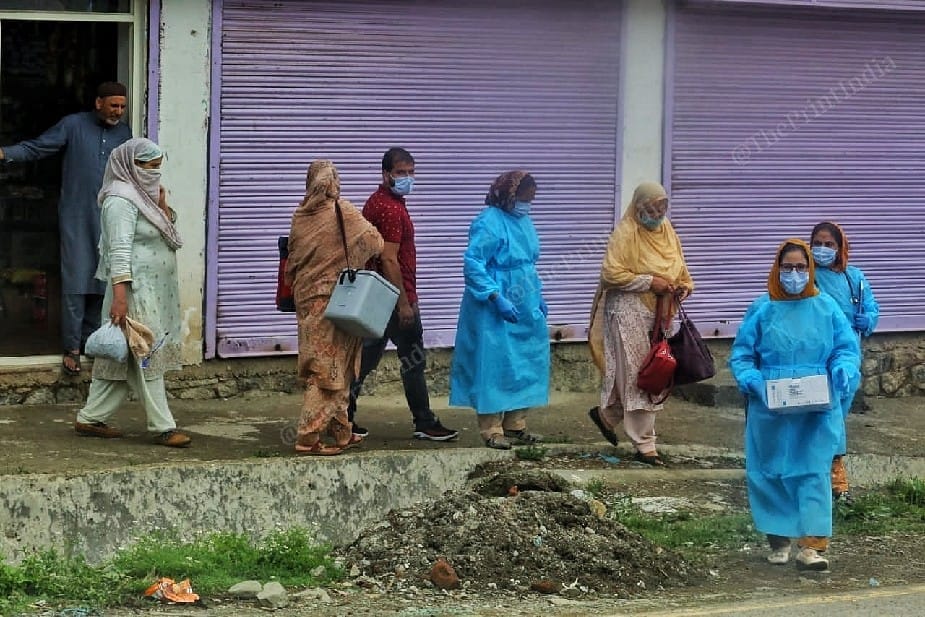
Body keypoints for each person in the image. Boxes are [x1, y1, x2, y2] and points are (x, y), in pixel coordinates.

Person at [729, 239, 860, 571]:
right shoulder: (762, 308)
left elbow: (845, 348)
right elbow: (743, 354)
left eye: (801, 267)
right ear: (777, 268)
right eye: (787, 267)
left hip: (817, 403)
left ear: (811, 270)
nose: (794, 274)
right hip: (771, 403)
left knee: (813, 471)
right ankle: (779, 540)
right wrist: (751, 379)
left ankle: (813, 546)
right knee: (770, 472)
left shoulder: (827, 308)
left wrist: (843, 369)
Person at [0, 82, 132, 375]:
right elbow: (37, 147)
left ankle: (91, 343)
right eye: (113, 106)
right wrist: (4, 153)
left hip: (111, 216)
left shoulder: (124, 134)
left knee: (104, 279)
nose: (118, 112)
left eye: (122, 107)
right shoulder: (73, 125)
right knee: (76, 278)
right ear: (98, 103)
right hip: (75, 214)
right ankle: (72, 346)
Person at [73, 138, 191, 448]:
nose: (154, 175)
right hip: (134, 290)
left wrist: (162, 206)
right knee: (146, 353)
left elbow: (170, 235)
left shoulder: (144, 199)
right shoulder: (120, 200)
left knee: (121, 360)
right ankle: (163, 426)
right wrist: (121, 298)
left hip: (152, 290)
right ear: (129, 167)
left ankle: (90, 418)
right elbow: (119, 250)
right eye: (148, 168)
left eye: (158, 168)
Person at [347, 147, 458, 441]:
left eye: (411, 172)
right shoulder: (391, 208)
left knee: (366, 360)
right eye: (400, 173)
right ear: (386, 174)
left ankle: (341, 416)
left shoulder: (380, 201)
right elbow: (389, 259)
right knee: (412, 359)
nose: (407, 178)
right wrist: (404, 303)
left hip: (377, 295)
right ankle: (424, 420)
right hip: (392, 297)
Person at [586, 182, 693, 466]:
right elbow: (611, 273)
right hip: (627, 310)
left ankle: (607, 416)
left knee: (656, 370)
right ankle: (645, 445)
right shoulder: (625, 233)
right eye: (650, 207)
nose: (656, 213)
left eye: (662, 207)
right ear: (637, 206)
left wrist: (682, 286)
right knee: (641, 377)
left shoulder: (667, 232)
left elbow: (680, 268)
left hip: (660, 313)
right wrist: (649, 281)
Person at [286, 159, 384, 455]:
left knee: (332, 364)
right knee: (327, 369)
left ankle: (342, 431)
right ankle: (307, 437)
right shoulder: (342, 210)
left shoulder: (300, 215)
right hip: (338, 300)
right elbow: (375, 243)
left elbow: (293, 257)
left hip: (306, 300)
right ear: (333, 183)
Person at [449, 171, 549, 449]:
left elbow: (528, 261)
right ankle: (491, 429)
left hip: (525, 298)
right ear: (509, 195)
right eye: (523, 198)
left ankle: (516, 424)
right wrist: (494, 296)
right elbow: (473, 263)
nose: (527, 204)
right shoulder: (489, 222)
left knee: (526, 360)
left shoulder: (524, 221)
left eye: (531, 200)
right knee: (493, 363)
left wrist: (538, 295)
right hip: (493, 303)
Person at [810, 221, 880, 502]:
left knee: (837, 414)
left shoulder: (854, 277)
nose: (823, 250)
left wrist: (870, 320)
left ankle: (832, 477)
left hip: (848, 358)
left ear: (840, 248)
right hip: (815, 356)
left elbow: (871, 307)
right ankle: (831, 479)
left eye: (830, 245)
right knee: (823, 416)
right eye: (818, 243)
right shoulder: (806, 274)